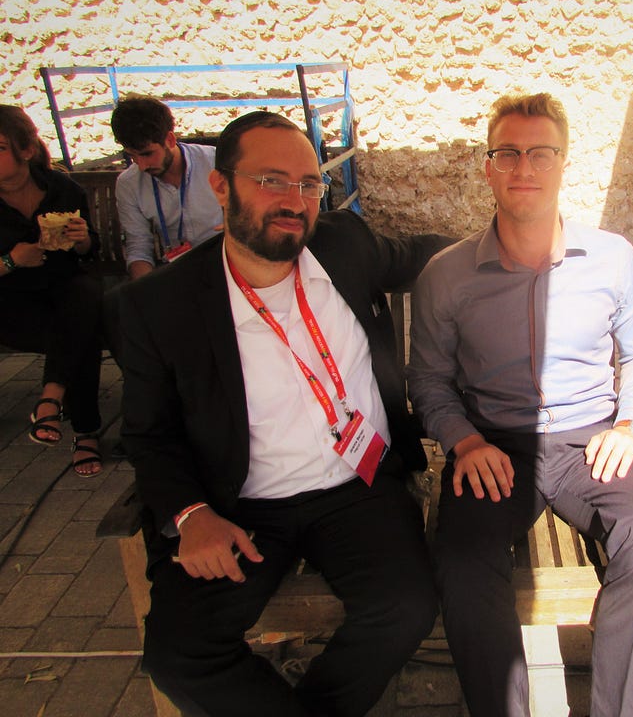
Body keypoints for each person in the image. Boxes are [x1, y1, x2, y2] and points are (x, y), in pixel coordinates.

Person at [115, 111, 448, 716]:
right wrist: (190, 515)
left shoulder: (344, 245)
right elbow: (148, 434)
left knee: (405, 608)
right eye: (272, 180)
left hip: (359, 485)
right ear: (221, 187)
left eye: (308, 184)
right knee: (179, 653)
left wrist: (511, 244)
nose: (294, 201)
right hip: (239, 506)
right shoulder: (157, 306)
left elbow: (422, 255)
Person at [407, 92, 633, 717]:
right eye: (507, 152)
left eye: (540, 153)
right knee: (463, 560)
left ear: (563, 163)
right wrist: (464, 441)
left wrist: (631, 425)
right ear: (487, 165)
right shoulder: (447, 275)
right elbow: (428, 380)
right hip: (495, 445)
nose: (523, 167)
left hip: (594, 442)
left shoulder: (611, 258)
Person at [0, 105, 104, 477]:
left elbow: (89, 251)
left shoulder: (63, 189)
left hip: (63, 293)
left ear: (26, 151)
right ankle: (86, 432)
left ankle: (51, 400)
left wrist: (79, 241)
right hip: (11, 305)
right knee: (82, 330)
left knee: (84, 298)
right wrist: (11, 261)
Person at [110, 97, 223, 279]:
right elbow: (138, 247)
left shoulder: (215, 162)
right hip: (176, 270)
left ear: (170, 139)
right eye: (132, 156)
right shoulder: (128, 183)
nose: (141, 165)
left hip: (225, 262)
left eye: (147, 154)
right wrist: (146, 292)